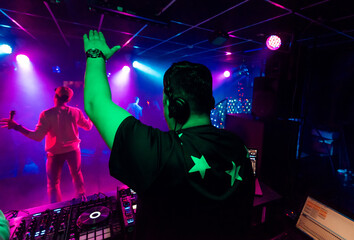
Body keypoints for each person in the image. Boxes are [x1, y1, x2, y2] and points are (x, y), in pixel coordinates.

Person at [83, 30, 254, 240]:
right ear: (209, 103)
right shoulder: (238, 145)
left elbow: (94, 103)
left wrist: (95, 55)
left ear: (175, 106)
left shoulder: (160, 151)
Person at [0, 87, 93, 203]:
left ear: (55, 97)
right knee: (77, 175)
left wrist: (17, 127)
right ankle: (82, 200)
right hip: (73, 150)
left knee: (53, 183)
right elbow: (88, 126)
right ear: (68, 99)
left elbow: (37, 137)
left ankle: (56, 208)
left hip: (55, 153)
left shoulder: (47, 115)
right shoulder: (76, 112)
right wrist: (91, 115)